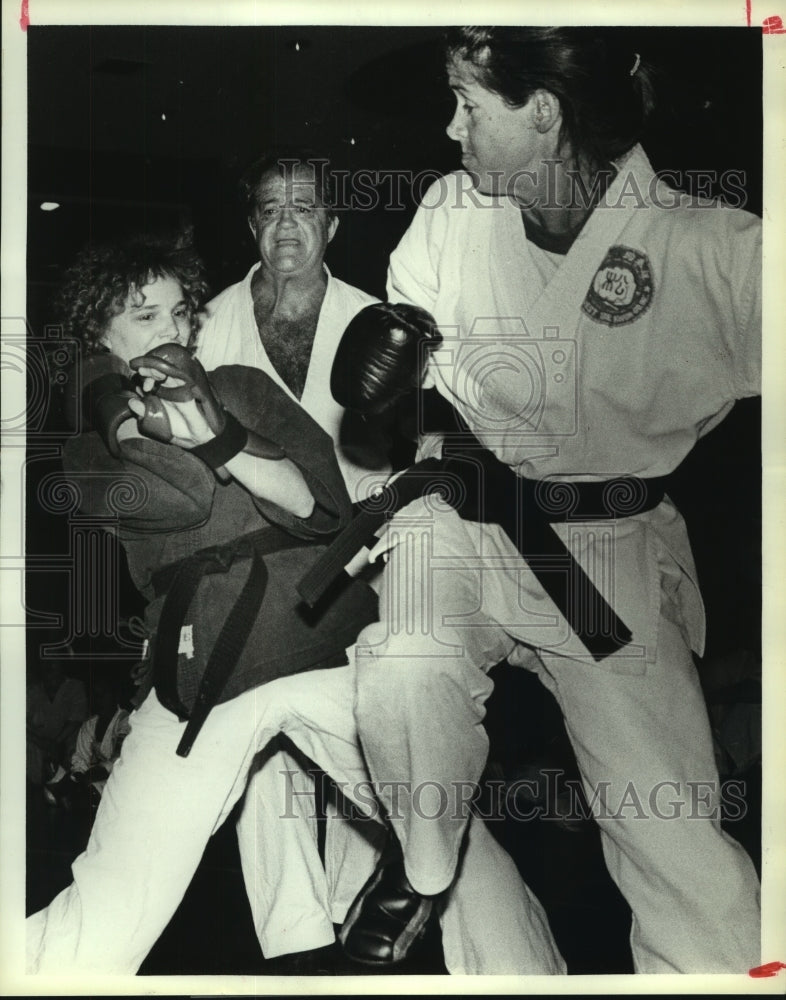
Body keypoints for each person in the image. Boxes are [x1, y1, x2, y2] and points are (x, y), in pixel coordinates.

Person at [338, 27, 762, 974]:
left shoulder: (711, 248)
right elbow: (409, 341)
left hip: (601, 553)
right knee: (405, 661)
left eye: (468, 105)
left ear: (545, 113)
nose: (449, 128)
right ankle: (422, 859)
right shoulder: (453, 208)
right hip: (474, 519)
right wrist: (394, 370)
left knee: (679, 844)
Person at [25, 232, 380, 974]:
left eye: (181, 314)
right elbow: (182, 498)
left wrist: (218, 432)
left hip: (318, 646)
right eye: (144, 318)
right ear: (102, 339)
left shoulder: (243, 385)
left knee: (446, 841)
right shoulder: (86, 454)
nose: (174, 332)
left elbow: (322, 512)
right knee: (108, 912)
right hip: (200, 676)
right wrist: (115, 405)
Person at [26, 653, 87, 787]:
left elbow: (76, 720)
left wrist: (55, 743)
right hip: (38, 745)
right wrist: (42, 743)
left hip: (65, 743)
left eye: (53, 660)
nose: (49, 665)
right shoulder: (31, 690)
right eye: (45, 661)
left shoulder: (75, 687)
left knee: (76, 749)